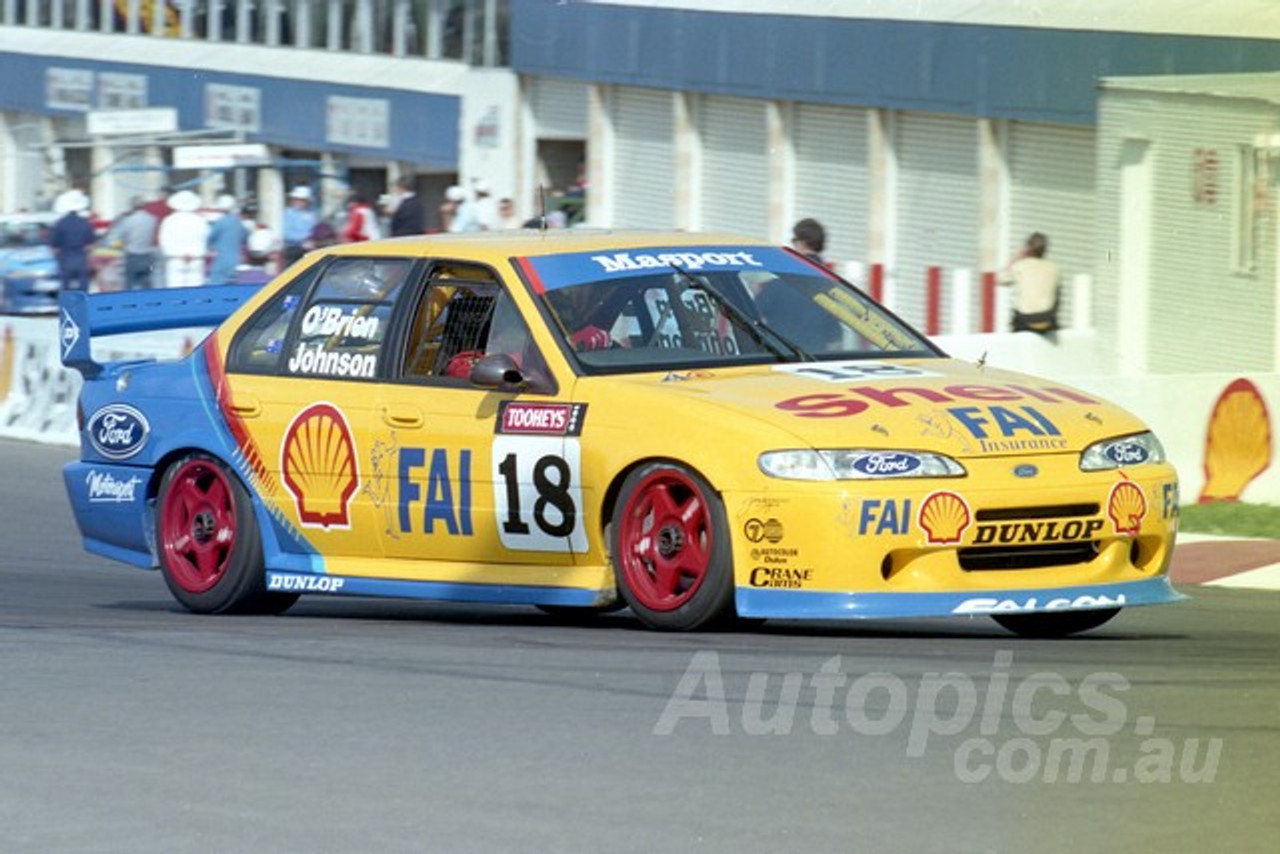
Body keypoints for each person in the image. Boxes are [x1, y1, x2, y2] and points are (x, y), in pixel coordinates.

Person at [999, 231, 1060, 335]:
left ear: (1028, 247)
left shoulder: (1020, 266)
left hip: (1025, 320)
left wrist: (1015, 257)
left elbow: (1001, 279)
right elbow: (1057, 298)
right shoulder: (1054, 268)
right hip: (1047, 320)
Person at [158, 189, 209, 288]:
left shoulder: (169, 220)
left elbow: (163, 240)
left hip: (175, 258)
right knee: (196, 289)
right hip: (196, 258)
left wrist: (177, 253)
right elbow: (207, 238)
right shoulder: (201, 220)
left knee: (175, 288)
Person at [49, 189, 97, 292]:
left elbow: (54, 246)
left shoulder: (60, 223)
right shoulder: (85, 223)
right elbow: (91, 244)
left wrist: (58, 257)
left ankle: (67, 306)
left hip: (65, 257)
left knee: (65, 286)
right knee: (83, 286)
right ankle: (83, 305)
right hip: (81, 258)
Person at [115, 194, 158, 290]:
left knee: (129, 284)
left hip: (132, 255)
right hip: (147, 255)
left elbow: (121, 237)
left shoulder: (128, 221)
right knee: (147, 284)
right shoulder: (152, 219)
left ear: (132, 206)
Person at [205, 194, 248, 285]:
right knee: (232, 284)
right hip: (235, 259)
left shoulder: (220, 222)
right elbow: (245, 236)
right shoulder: (238, 222)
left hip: (221, 258)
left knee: (216, 284)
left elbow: (210, 238)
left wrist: (211, 247)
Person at [281, 185, 317, 265]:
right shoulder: (288, 214)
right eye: (297, 200)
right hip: (293, 249)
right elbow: (286, 233)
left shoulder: (311, 215)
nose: (299, 202)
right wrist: (303, 240)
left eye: (302, 200)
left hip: (309, 249)